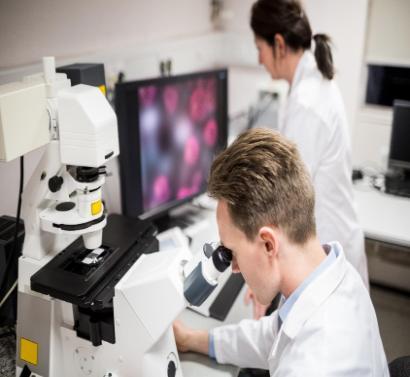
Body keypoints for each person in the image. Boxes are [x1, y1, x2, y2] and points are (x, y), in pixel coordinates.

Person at [173, 128, 388, 376]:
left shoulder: (316, 364)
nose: (234, 268)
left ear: (268, 244)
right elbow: (270, 337)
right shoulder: (331, 275)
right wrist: (191, 339)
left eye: (233, 253)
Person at [245, 0, 369, 317]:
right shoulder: (309, 85)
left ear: (279, 44)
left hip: (328, 255)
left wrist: (259, 275)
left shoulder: (307, 103)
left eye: (259, 47)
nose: (259, 59)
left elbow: (288, 201)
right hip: (331, 242)